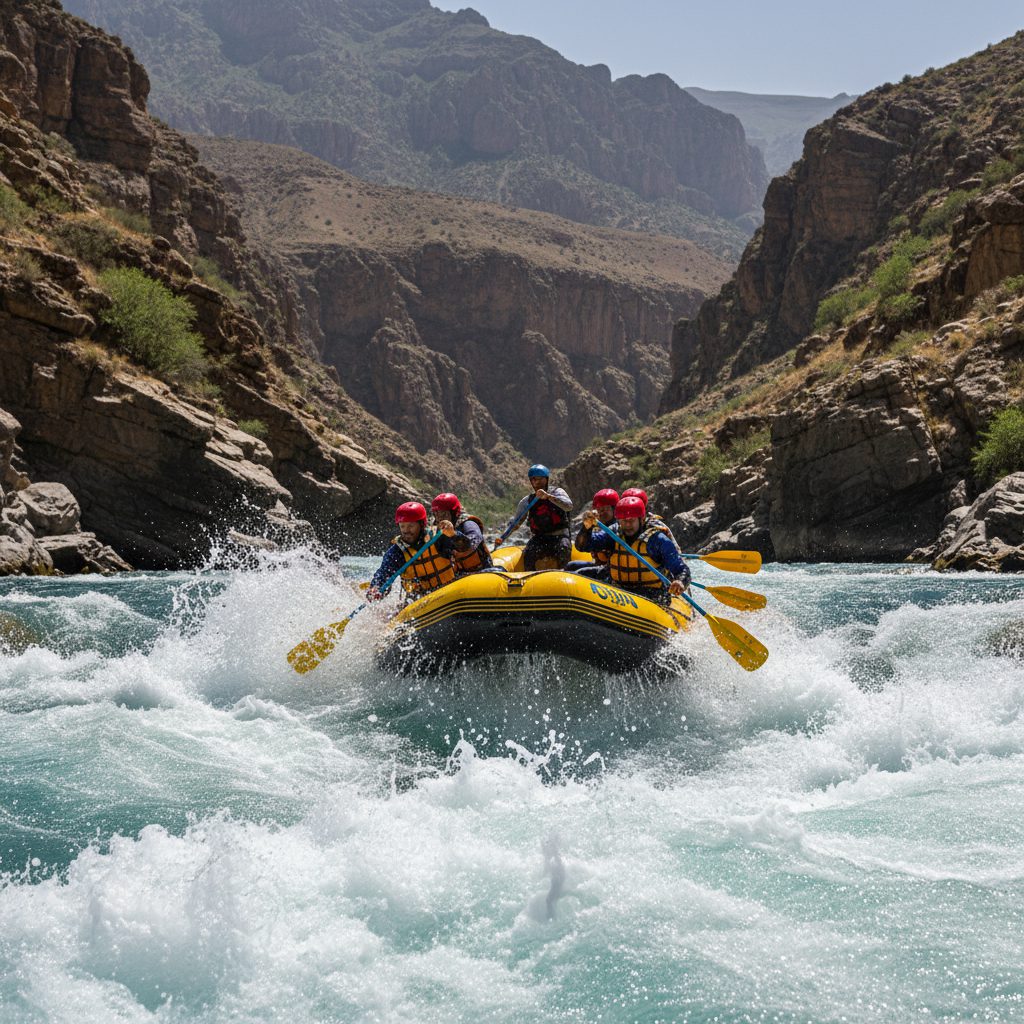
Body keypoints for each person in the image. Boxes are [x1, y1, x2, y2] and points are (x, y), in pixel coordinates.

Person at [576, 495, 690, 605]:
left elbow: (681, 569)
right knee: (580, 574)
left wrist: (680, 581)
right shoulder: (613, 533)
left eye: (631, 520)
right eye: (624, 521)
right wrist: (586, 528)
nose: (627, 525)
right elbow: (583, 546)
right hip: (618, 590)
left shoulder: (657, 540)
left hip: (651, 594)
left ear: (641, 519)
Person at [366, 501, 456, 602]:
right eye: (402, 526)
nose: (406, 531)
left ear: (421, 525)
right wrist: (376, 587)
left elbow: (464, 547)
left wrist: (453, 534)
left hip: (448, 590)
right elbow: (384, 572)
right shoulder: (398, 551)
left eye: (410, 526)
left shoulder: (438, 538)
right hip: (418, 599)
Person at [501, 463, 573, 570]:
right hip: (540, 538)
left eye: (540, 479)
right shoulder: (527, 501)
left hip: (559, 536)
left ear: (546, 480)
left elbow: (569, 506)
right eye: (533, 480)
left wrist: (548, 497)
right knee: (529, 553)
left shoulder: (558, 492)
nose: (536, 483)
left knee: (563, 549)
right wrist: (502, 538)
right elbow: (516, 523)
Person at [430, 492, 492, 575]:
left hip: (482, 571)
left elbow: (471, 545)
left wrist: (454, 535)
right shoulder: (440, 531)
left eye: (443, 513)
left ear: (453, 512)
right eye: (436, 513)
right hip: (458, 575)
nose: (439, 518)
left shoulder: (469, 524)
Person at [567, 488, 619, 580]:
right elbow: (580, 546)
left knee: (579, 574)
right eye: (599, 509)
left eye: (606, 509)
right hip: (600, 566)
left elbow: (592, 543)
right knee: (572, 565)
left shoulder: (616, 527)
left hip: (612, 570)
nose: (602, 513)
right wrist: (586, 527)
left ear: (614, 510)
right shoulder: (597, 526)